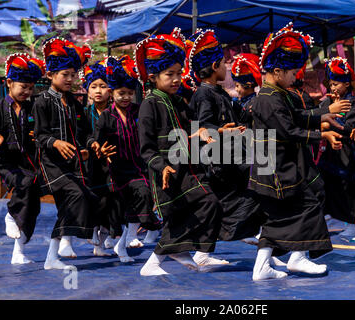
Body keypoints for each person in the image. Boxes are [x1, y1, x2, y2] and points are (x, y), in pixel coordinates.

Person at [249, 23, 343, 280]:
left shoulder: (275, 93)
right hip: (277, 168)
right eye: (292, 72)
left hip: (277, 165)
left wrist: (324, 114)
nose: (295, 77)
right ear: (277, 71)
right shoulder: (268, 98)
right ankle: (298, 258)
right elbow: (288, 131)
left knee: (278, 217)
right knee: (309, 204)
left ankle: (261, 268)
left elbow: (296, 115)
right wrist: (321, 133)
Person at [135, 28, 223, 275]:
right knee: (207, 203)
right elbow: (146, 148)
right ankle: (157, 260)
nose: (176, 79)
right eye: (169, 74)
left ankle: (168, 256)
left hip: (188, 169)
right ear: (153, 76)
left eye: (178, 74)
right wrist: (162, 167)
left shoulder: (177, 102)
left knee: (201, 208)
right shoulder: (149, 104)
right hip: (168, 174)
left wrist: (210, 133)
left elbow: (194, 130)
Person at [188, 29, 265, 263]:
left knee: (252, 195)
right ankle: (268, 247)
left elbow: (237, 118)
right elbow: (201, 129)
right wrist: (223, 131)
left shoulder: (219, 92)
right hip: (218, 163)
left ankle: (267, 247)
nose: (226, 67)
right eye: (223, 63)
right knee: (257, 190)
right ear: (214, 66)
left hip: (231, 157)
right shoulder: (204, 94)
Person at [33, 37, 97, 270]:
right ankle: (54, 254)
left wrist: (90, 145)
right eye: (64, 75)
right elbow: (39, 135)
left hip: (74, 164)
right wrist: (56, 143)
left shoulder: (74, 102)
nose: (70, 79)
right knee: (76, 196)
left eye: (73, 74)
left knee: (81, 200)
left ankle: (54, 255)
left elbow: (85, 132)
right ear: (50, 75)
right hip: (52, 165)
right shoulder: (42, 101)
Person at [93, 55, 162, 262]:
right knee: (115, 210)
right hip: (115, 170)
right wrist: (97, 148)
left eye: (130, 93)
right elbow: (96, 139)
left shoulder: (138, 111)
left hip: (137, 167)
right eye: (121, 93)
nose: (125, 97)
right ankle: (107, 239)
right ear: (112, 93)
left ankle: (124, 243)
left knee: (143, 194)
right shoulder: (106, 115)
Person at [0, 53, 45, 264]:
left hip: (28, 160)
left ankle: (19, 252)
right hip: (6, 161)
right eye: (22, 86)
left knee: (33, 205)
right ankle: (10, 214)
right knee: (23, 184)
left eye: (30, 88)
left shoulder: (31, 108)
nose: (26, 91)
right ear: (9, 83)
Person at [80, 59, 125, 255]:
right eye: (94, 86)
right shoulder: (83, 114)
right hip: (91, 164)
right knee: (95, 199)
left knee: (112, 201)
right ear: (87, 91)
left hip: (113, 163)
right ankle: (94, 234)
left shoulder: (117, 113)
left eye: (103, 86)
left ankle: (105, 237)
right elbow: (81, 137)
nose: (98, 91)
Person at [316, 57, 355, 238]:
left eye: (337, 84)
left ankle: (351, 224)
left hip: (346, 153)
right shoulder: (327, 103)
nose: (333, 88)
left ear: (346, 84)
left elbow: (350, 128)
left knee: (346, 189)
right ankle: (325, 218)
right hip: (328, 153)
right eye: (331, 84)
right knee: (325, 186)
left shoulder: (353, 104)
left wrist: (329, 124)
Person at [231, 53, 262, 128]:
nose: (235, 89)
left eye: (237, 86)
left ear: (248, 85)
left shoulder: (255, 103)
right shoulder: (237, 101)